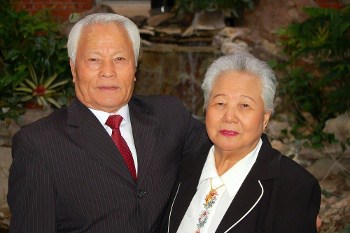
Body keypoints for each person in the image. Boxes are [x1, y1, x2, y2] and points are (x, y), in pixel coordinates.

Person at [7, 13, 211, 233]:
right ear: (74, 69)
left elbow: (226, 150)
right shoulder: (38, 145)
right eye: (94, 60)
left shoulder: (169, 116)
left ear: (135, 68)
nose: (108, 72)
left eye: (120, 59)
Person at [162, 53, 321, 233]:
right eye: (220, 103)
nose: (229, 117)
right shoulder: (180, 166)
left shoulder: (294, 188)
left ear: (265, 118)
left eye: (244, 105)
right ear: (206, 108)